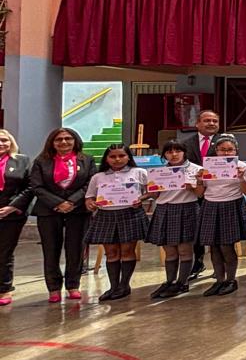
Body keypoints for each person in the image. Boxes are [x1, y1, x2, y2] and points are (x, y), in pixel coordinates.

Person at [29, 127, 95, 302]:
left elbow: (90, 183)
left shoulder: (87, 160)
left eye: (68, 138)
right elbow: (36, 186)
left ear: (75, 141)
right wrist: (58, 203)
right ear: (52, 143)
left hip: (77, 210)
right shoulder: (41, 161)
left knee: (76, 249)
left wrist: (72, 201)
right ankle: (53, 288)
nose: (64, 142)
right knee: (50, 250)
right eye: (59, 139)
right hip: (48, 210)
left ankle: (73, 285)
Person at [85, 144, 150, 302]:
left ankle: (124, 285)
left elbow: (152, 191)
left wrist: (140, 199)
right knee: (111, 252)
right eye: (112, 157)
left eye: (121, 156)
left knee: (127, 251)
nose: (117, 159)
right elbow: (89, 197)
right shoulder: (98, 177)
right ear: (106, 159)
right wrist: (90, 203)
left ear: (128, 157)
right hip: (106, 216)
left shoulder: (139, 172)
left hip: (130, 214)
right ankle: (113, 287)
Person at [194, 135, 246, 296]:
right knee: (213, 246)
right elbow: (199, 194)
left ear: (236, 151)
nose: (226, 153)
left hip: (231, 205)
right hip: (210, 205)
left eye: (230, 150)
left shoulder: (243, 167)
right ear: (216, 150)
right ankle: (219, 281)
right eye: (222, 150)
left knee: (226, 246)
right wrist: (199, 180)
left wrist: (240, 178)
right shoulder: (207, 167)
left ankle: (231, 280)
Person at [146, 139, 204, 299]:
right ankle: (170, 281)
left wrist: (193, 186)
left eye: (178, 151)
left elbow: (200, 194)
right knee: (170, 251)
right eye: (169, 151)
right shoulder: (158, 172)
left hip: (187, 209)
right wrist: (152, 189)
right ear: (164, 154)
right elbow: (155, 195)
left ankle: (182, 282)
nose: (174, 154)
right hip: (164, 209)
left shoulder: (196, 170)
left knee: (185, 250)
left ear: (184, 152)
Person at [180, 109, 222, 281]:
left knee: (218, 231)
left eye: (214, 121)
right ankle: (197, 263)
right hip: (193, 192)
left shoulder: (225, 142)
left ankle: (220, 266)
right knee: (195, 229)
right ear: (197, 123)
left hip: (217, 192)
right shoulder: (185, 144)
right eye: (207, 120)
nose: (211, 123)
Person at [0, 129, 33, 307]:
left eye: (4, 140)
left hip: (11, 213)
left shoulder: (22, 160)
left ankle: (4, 288)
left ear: (11, 142)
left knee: (4, 252)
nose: (1, 144)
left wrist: (13, 207)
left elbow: (30, 187)